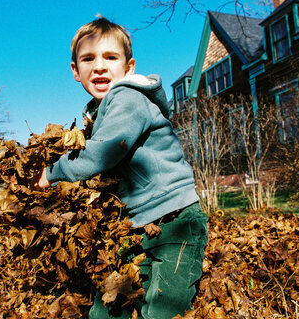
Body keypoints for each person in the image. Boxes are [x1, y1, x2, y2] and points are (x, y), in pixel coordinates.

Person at [36, 16, 208, 319]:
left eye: (110, 57)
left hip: (175, 221)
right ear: (76, 71)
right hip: (136, 225)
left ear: (129, 68)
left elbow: (104, 152)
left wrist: (52, 173)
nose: (99, 66)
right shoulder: (99, 113)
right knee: (109, 303)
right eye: (88, 58)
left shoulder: (127, 97)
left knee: (164, 304)